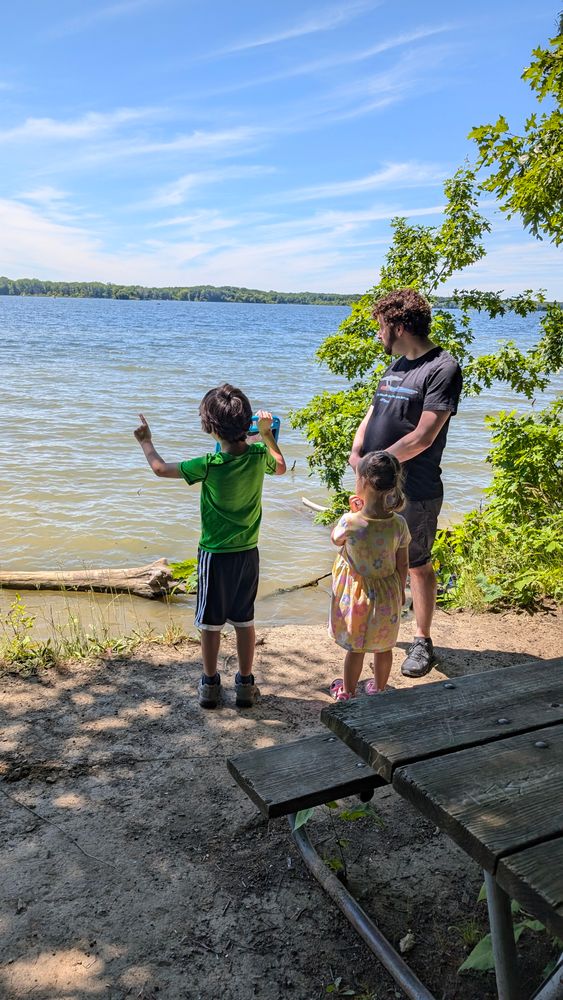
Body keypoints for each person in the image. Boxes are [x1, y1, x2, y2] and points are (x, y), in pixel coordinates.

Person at [134, 383, 286, 708]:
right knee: (245, 620)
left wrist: (146, 442)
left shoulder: (208, 464)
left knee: (210, 622)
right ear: (246, 423)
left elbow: (160, 469)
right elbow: (281, 464)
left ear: (209, 427)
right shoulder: (259, 456)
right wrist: (267, 434)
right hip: (248, 552)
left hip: (214, 555)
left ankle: (210, 684)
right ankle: (245, 685)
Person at [349, 288, 462, 679]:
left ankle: (422, 640)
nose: (378, 334)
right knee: (370, 555)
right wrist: (358, 447)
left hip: (415, 486)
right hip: (374, 484)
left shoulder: (442, 368)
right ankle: (377, 624)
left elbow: (425, 436)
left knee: (416, 564)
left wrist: (376, 464)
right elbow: (373, 409)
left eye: (381, 326)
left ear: (397, 325)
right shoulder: (396, 365)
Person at [329, 451, 410, 701]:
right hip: (387, 593)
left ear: (363, 482)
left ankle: (348, 691)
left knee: (356, 648)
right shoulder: (399, 524)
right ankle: (379, 688)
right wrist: (399, 591)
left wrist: (353, 511)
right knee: (384, 646)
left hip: (357, 596)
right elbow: (403, 563)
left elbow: (335, 540)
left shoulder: (351, 521)